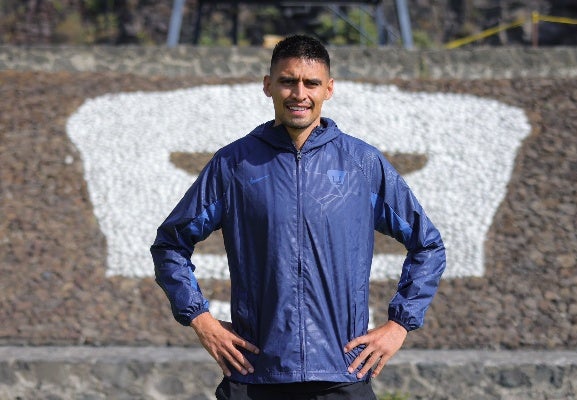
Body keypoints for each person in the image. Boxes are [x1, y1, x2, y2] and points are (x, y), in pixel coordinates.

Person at [150, 34, 446, 400]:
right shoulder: (234, 165)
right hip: (256, 373)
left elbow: (428, 245)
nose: (299, 94)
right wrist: (200, 319)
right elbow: (170, 245)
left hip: (343, 372)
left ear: (329, 89)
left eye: (311, 83)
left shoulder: (362, 164)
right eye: (288, 81)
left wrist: (399, 324)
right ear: (268, 86)